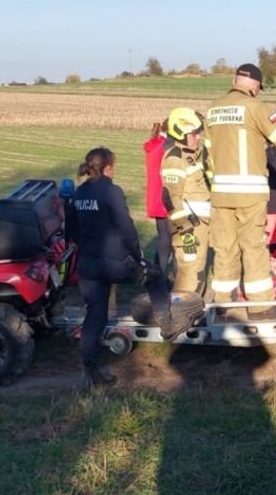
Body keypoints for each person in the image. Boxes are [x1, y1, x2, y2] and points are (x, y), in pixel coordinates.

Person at [205, 63, 276, 320]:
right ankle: (259, 305)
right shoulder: (255, 107)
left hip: (221, 194)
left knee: (224, 248)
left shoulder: (213, 108)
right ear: (254, 85)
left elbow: (206, 155)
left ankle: (224, 303)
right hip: (249, 194)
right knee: (253, 246)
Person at [72, 147, 167, 388]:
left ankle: (91, 372)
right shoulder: (111, 191)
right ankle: (168, 324)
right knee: (155, 275)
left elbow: (70, 230)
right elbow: (127, 228)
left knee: (94, 317)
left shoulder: (78, 193)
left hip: (88, 266)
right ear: (107, 168)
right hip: (114, 263)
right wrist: (137, 256)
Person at [160, 108, 210, 295]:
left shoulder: (192, 156)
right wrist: (185, 226)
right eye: (194, 134)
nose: (198, 138)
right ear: (181, 134)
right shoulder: (175, 159)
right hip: (188, 229)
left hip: (199, 226)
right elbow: (170, 198)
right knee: (189, 273)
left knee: (197, 272)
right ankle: (181, 316)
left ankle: (193, 313)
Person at [144, 119, 173, 271]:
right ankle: (162, 276)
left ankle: (157, 273)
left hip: (155, 198)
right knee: (171, 242)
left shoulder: (154, 145)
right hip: (167, 198)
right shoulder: (168, 147)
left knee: (163, 239)